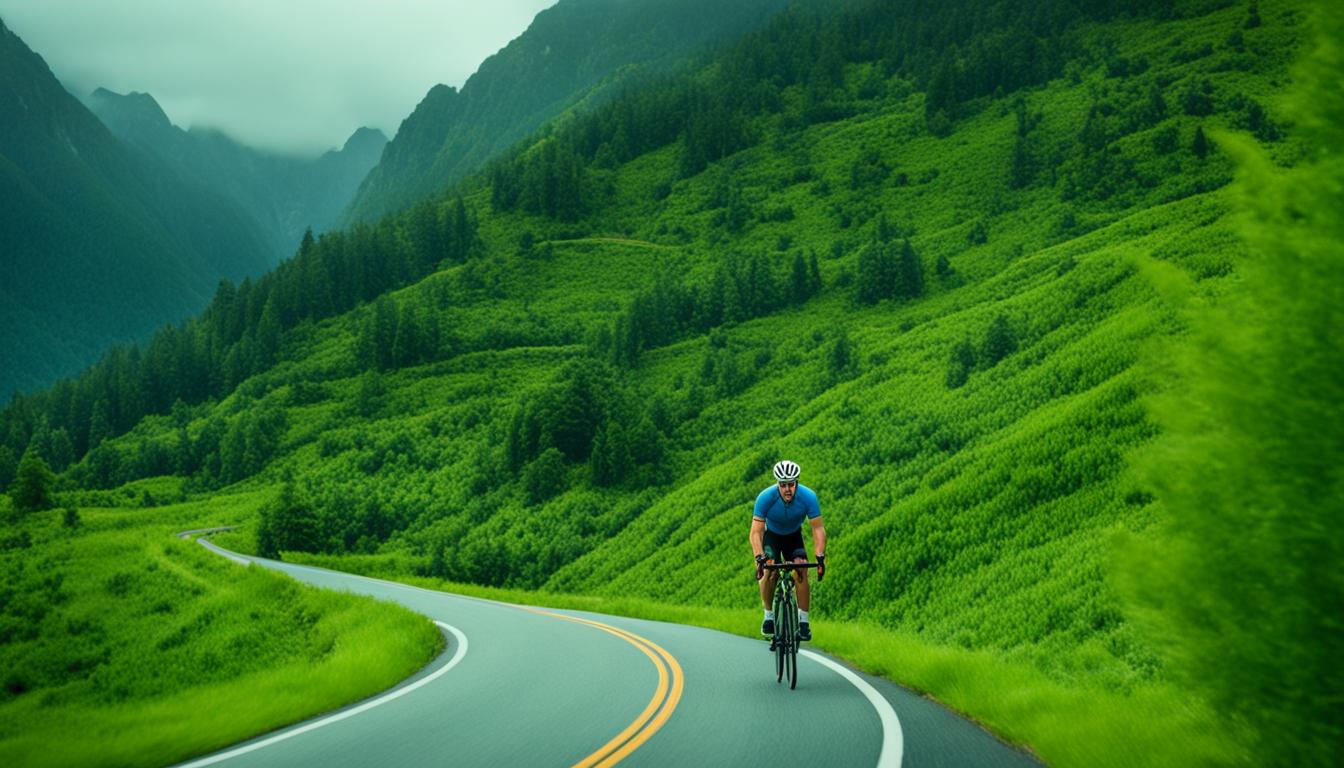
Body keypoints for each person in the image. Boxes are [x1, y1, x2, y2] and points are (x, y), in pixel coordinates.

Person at [751, 459, 826, 641]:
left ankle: (804, 622)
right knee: (769, 571)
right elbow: (756, 532)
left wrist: (820, 556)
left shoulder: (808, 497)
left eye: (791, 484)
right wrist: (759, 557)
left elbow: (818, 529)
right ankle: (768, 616)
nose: (787, 489)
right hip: (772, 537)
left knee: (801, 570)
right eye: (783, 485)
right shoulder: (765, 497)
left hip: (794, 536)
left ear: (796, 483)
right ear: (777, 483)